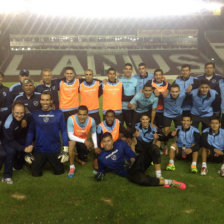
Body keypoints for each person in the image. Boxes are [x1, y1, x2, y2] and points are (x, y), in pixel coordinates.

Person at [95, 132, 186, 189]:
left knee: (153, 147)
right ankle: (170, 182)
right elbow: (101, 169)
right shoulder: (102, 157)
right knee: (142, 180)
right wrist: (100, 174)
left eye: (109, 141)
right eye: (105, 142)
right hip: (129, 173)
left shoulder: (120, 143)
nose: (107, 143)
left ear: (112, 140)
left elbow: (131, 154)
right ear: (102, 143)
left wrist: (131, 160)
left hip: (136, 163)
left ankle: (159, 176)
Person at [25, 91, 69, 177]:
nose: (45, 102)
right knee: (35, 174)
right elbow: (30, 132)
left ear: (51, 101)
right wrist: (27, 150)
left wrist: (65, 149)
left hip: (54, 149)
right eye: (43, 100)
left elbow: (63, 131)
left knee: (59, 172)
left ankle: (48, 162)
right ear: (40, 101)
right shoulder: (35, 114)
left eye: (47, 100)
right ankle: (41, 162)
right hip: (39, 149)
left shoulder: (59, 113)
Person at [2, 101, 32, 184]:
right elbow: (11, 142)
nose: (19, 115)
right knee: (11, 152)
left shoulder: (26, 115)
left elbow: (29, 115)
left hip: (18, 137)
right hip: (7, 139)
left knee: (26, 144)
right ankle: (6, 176)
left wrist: (25, 118)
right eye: (17, 113)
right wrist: (24, 149)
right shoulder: (8, 124)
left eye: (21, 113)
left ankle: (18, 166)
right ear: (12, 111)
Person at [67, 105, 99, 178]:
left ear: (87, 115)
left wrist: (96, 146)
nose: (82, 117)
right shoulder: (71, 119)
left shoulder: (92, 121)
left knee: (84, 162)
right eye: (80, 114)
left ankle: (74, 156)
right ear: (77, 114)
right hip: (74, 139)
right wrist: (84, 141)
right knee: (71, 144)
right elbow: (70, 136)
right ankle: (72, 167)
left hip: (83, 141)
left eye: (84, 115)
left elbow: (94, 133)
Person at [118, 63, 138, 130]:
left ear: (132, 71)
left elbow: (137, 94)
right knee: (119, 127)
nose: (128, 71)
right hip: (120, 108)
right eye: (126, 69)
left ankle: (129, 139)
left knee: (129, 127)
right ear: (123, 70)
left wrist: (132, 103)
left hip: (130, 108)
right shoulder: (119, 79)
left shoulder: (135, 80)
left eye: (129, 69)